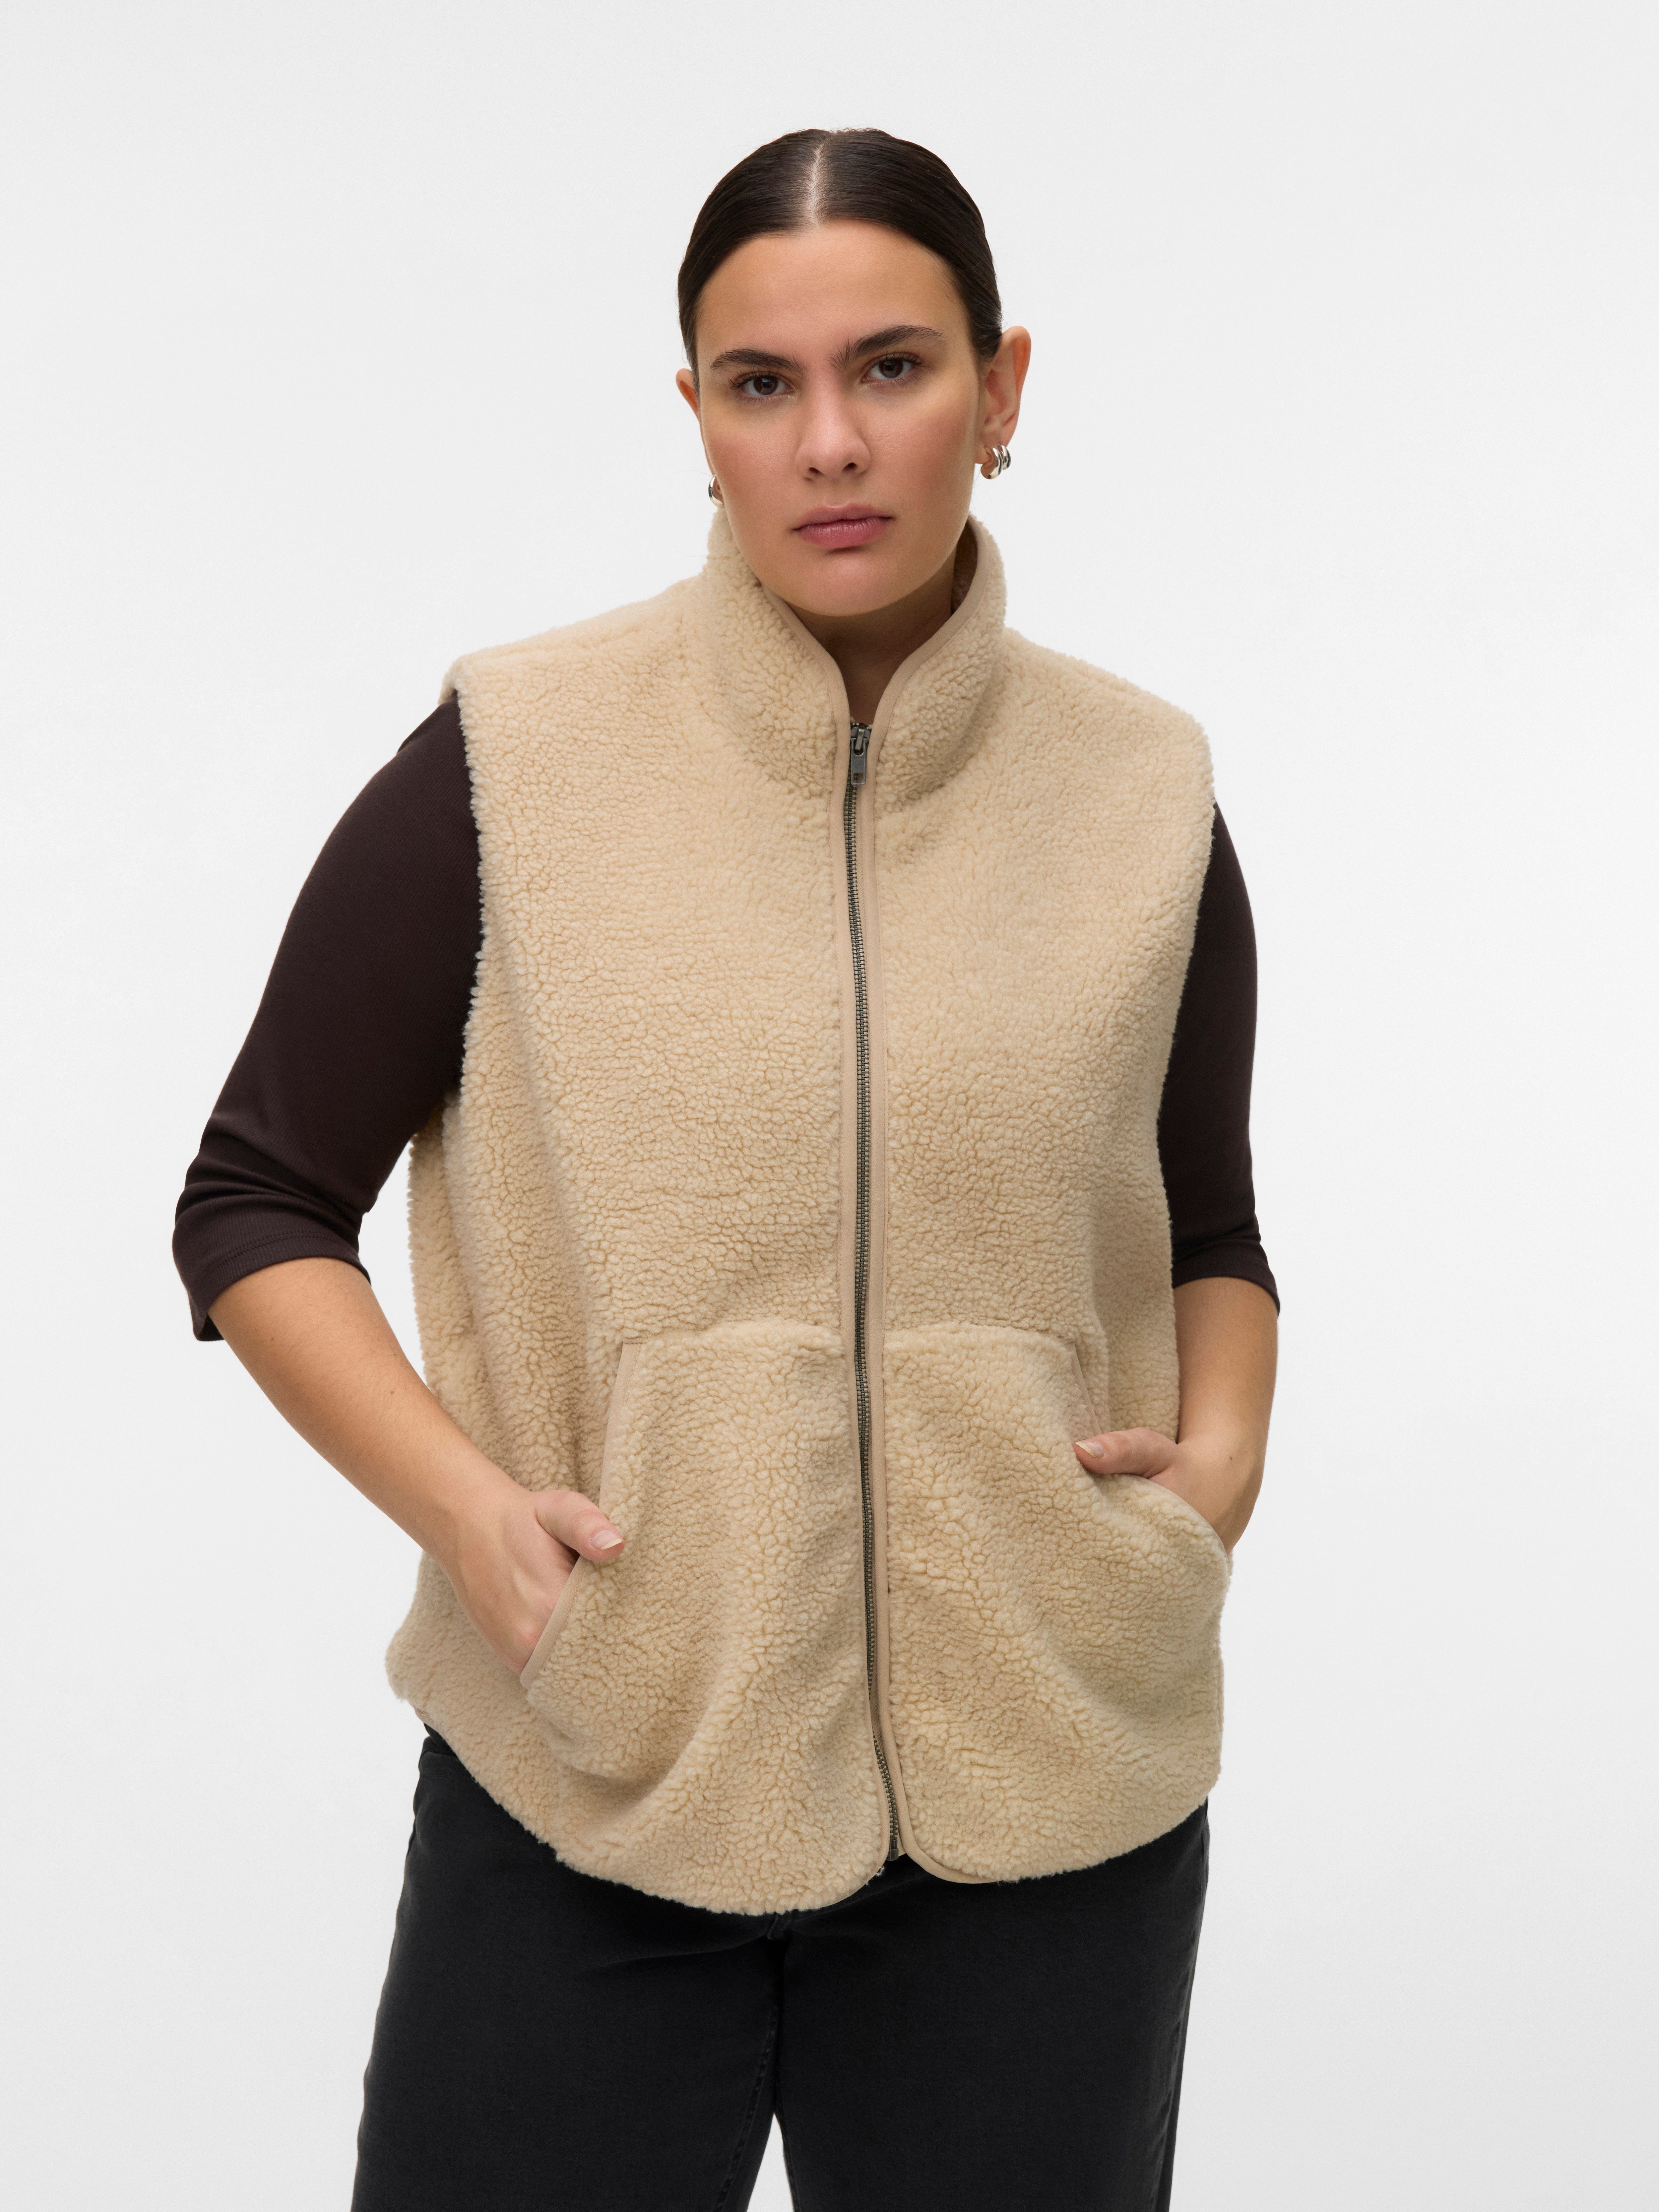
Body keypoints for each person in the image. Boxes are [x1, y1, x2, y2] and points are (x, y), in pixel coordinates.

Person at [175, 126, 1279, 2212]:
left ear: (1001, 388)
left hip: (1049, 1796)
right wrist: (474, 1521)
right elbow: (253, 1202)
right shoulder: (512, 758)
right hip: (597, 1768)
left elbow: (1206, 1227)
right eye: (763, 385)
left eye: (893, 369)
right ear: (696, 415)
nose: (829, 443)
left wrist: (1208, 1480)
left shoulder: (1143, 794)